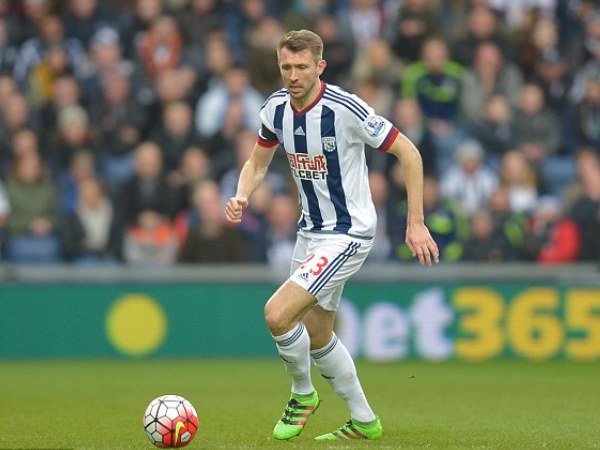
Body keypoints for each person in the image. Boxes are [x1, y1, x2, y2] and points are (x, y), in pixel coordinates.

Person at [224, 30, 439, 442]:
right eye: (286, 66)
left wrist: (415, 222)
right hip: (311, 232)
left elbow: (408, 152)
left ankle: (302, 395)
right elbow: (256, 163)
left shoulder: (346, 108)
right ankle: (364, 420)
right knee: (318, 333)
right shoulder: (274, 109)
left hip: (349, 233)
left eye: (301, 67)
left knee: (277, 314)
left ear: (319, 66)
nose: (292, 75)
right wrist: (241, 194)